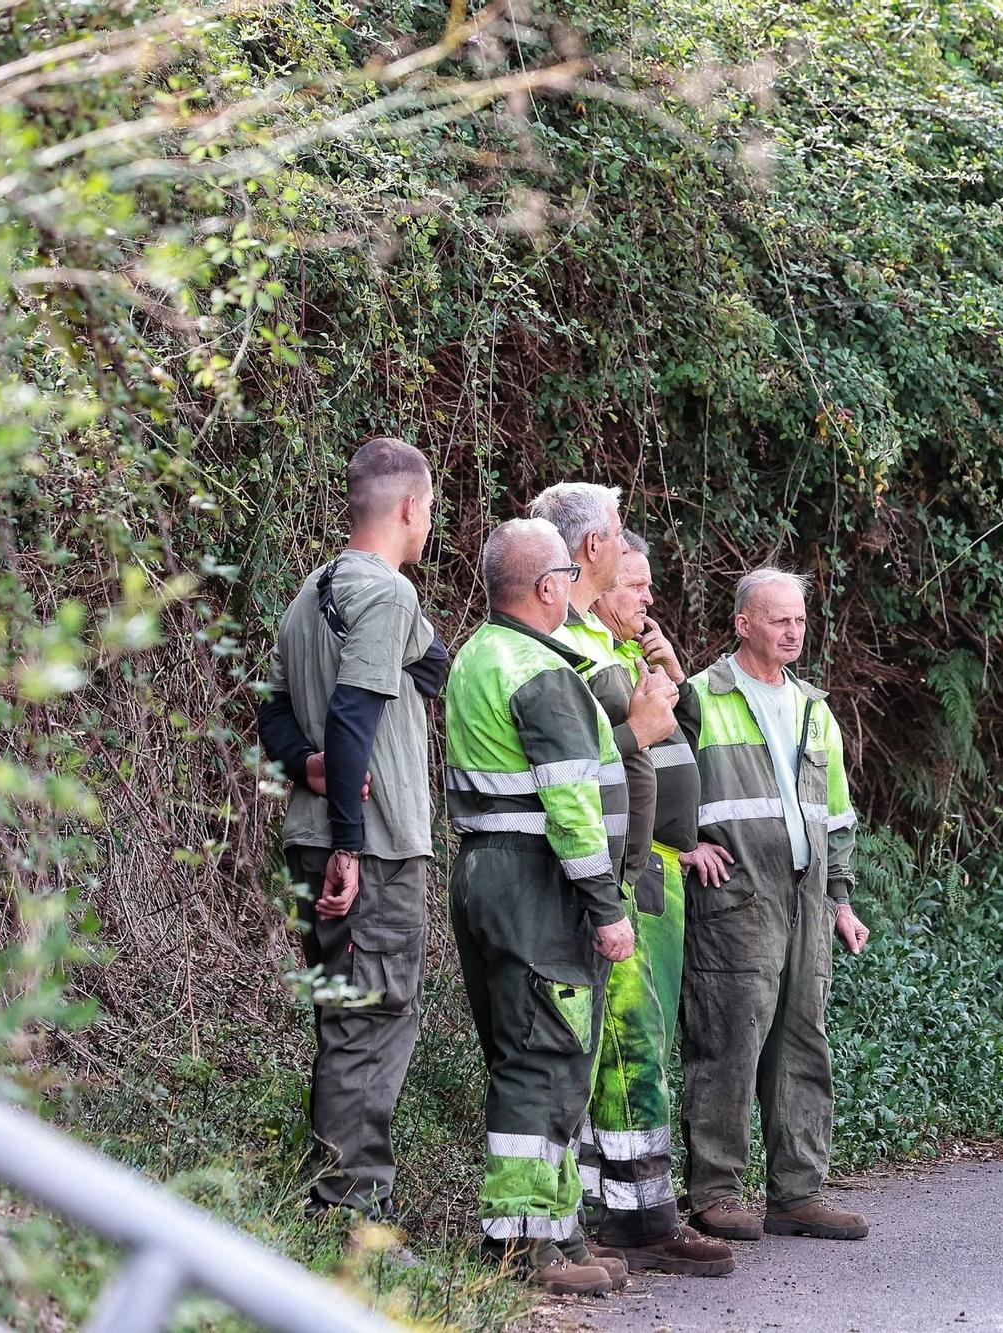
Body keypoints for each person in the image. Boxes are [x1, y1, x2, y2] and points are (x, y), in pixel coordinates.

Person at [527, 490, 728, 1276]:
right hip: (622, 870)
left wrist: (671, 677)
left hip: (658, 866)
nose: (648, 598)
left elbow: (675, 746)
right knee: (624, 1043)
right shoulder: (569, 646)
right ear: (591, 566)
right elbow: (592, 763)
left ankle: (624, 1209)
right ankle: (634, 1217)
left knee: (638, 1042)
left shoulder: (621, 650)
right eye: (636, 583)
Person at [442, 518, 641, 1295]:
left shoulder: (475, 656)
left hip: (484, 873)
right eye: (565, 573)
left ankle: (557, 1232)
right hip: (537, 884)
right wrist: (606, 905)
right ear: (549, 585)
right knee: (544, 1056)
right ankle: (522, 1246)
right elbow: (571, 806)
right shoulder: (540, 669)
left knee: (535, 1051)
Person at [255, 435, 442, 1224]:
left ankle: (331, 1196)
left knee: (346, 1016)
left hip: (316, 830)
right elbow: (356, 710)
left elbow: (269, 703)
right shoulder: (387, 595)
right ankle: (350, 1210)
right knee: (373, 1020)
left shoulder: (313, 591)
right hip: (371, 846)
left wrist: (306, 765)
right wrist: (349, 844)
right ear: (407, 507)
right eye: (428, 509)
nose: (429, 523)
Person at [680, 567, 871, 1243]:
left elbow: (838, 817)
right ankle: (716, 1191)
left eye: (799, 619)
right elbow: (660, 783)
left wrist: (842, 901)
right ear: (743, 623)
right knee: (729, 1041)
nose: (794, 630)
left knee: (802, 1043)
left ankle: (798, 1192)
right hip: (733, 900)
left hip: (807, 905)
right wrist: (676, 847)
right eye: (779, 619)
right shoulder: (699, 696)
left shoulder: (815, 707)